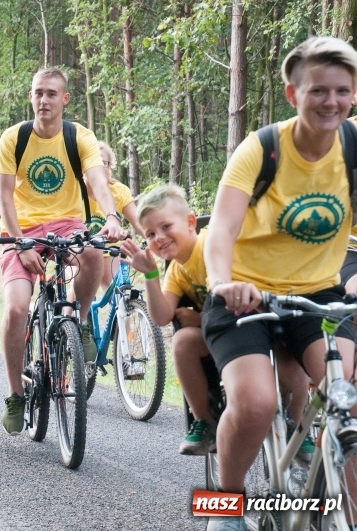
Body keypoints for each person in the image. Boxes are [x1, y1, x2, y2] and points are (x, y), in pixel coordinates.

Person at [202, 36, 357, 531]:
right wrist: (223, 282)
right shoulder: (262, 149)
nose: (330, 102)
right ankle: (224, 507)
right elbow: (221, 229)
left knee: (347, 399)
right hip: (245, 295)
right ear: (293, 94)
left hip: (319, 295)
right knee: (255, 402)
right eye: (318, 91)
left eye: (342, 91)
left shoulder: (353, 148)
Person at [121, 185, 313, 459]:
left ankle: (296, 428)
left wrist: (199, 318)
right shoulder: (176, 270)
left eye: (165, 226)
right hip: (226, 337)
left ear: (190, 222)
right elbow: (162, 316)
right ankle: (205, 421)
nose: (159, 238)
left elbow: (242, 297)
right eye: (150, 234)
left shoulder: (215, 245)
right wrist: (151, 275)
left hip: (263, 323)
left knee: (290, 363)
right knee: (183, 342)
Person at [0, 66, 126, 435]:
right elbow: (4, 195)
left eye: (52, 93)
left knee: (93, 254)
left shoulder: (79, 136)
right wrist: (20, 242)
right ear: (31, 96)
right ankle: (16, 395)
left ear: (65, 99)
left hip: (67, 224)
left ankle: (79, 322)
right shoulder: (14, 137)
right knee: (17, 307)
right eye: (38, 92)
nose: (44, 100)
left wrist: (112, 217)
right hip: (21, 230)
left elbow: (98, 180)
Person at [87, 141, 144, 291]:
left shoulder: (119, 191)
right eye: (93, 161)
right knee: (79, 288)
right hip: (81, 250)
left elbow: (138, 222)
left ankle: (122, 312)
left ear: (110, 166)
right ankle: (74, 314)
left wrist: (152, 239)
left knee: (116, 290)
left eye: (103, 162)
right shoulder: (74, 190)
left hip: (109, 249)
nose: (99, 167)